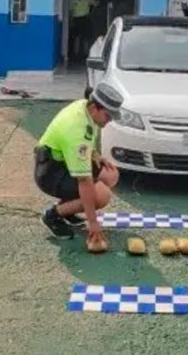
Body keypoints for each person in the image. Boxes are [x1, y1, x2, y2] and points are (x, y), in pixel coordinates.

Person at [36, 83, 122, 250]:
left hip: (65, 162)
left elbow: (88, 141)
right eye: (108, 116)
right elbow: (84, 181)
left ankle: (67, 208)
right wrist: (93, 222)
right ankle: (52, 215)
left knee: (111, 174)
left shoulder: (86, 109)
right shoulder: (76, 131)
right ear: (96, 108)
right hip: (51, 173)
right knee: (101, 196)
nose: (109, 121)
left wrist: (96, 155)